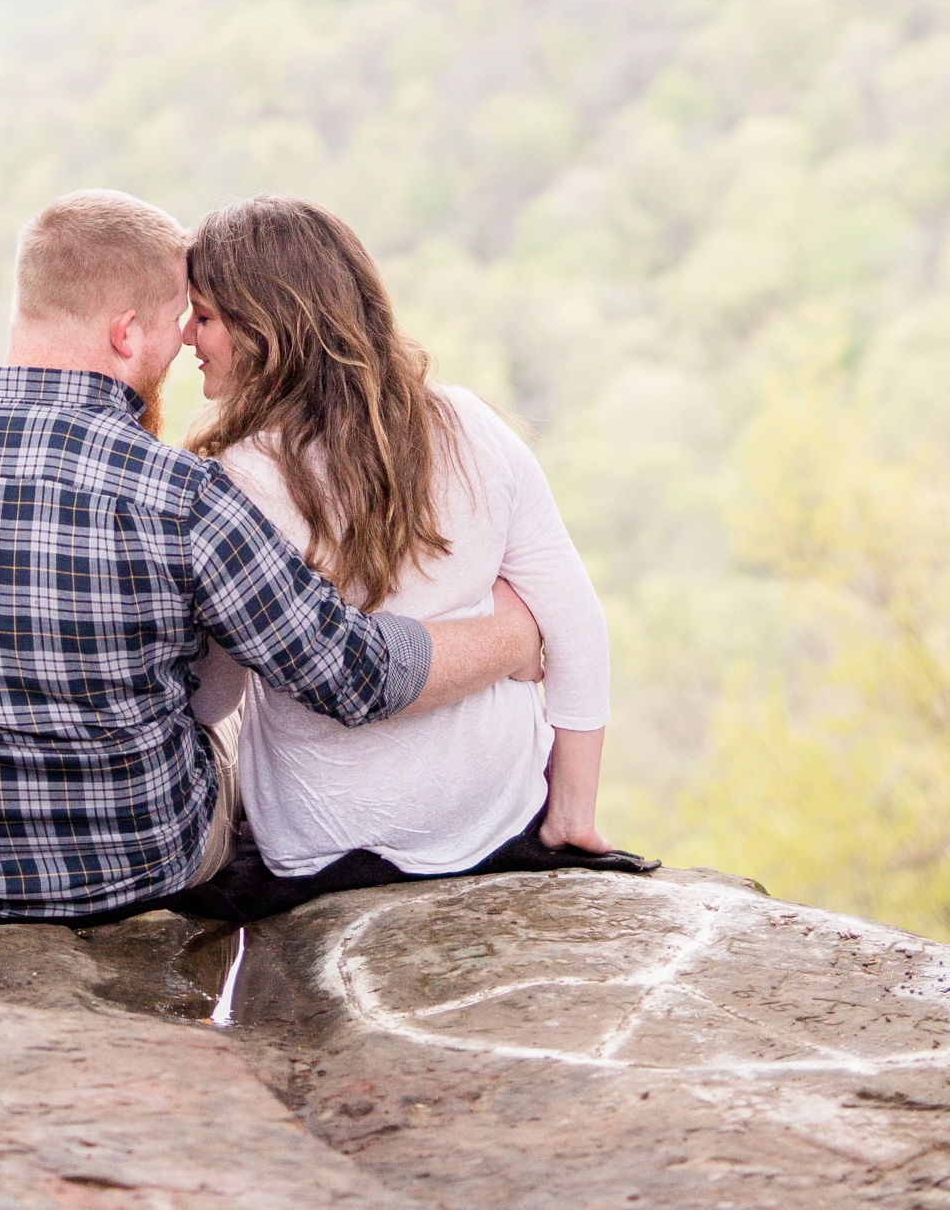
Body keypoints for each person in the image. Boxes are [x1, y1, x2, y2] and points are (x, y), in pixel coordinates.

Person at [0, 188, 544, 924]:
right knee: (218, 718)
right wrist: (516, 635)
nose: (186, 339)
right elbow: (348, 675)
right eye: (177, 320)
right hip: (142, 862)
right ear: (127, 335)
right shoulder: (183, 497)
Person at [185, 192, 622, 885]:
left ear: (265, 326)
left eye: (203, 316)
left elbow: (214, 697)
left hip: (318, 846)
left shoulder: (232, 480)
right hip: (495, 821)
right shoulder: (474, 426)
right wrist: (572, 812)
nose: (186, 336)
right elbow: (577, 624)